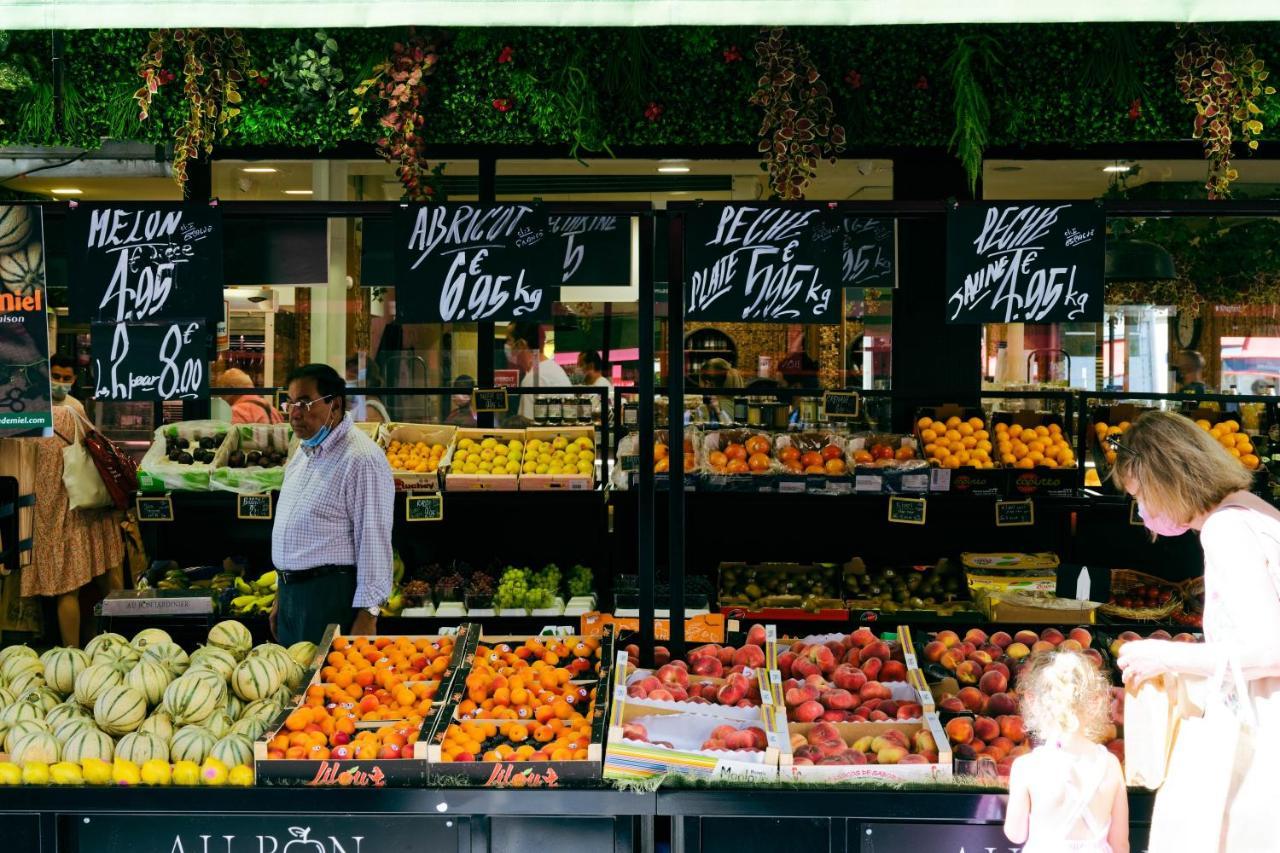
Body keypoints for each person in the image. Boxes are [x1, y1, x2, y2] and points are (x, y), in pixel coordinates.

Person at [1112, 410, 1280, 850]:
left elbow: (1271, 650)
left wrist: (1167, 656)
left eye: (1140, 494)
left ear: (1168, 478)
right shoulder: (1255, 512)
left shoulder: (1226, 529)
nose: (1142, 509)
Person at [271, 364, 394, 645]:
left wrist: (368, 615)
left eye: (303, 403)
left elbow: (374, 539)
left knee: (323, 687)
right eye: (289, 403)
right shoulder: (303, 453)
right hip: (293, 598)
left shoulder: (362, 459)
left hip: (330, 599)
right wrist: (282, 596)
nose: (294, 413)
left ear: (334, 405)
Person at [1004, 651, 1129, 853]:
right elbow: (1120, 844)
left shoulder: (1026, 767)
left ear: (1032, 701)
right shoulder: (1110, 764)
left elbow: (1016, 834)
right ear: (1096, 701)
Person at [30, 405, 125, 646]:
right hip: (86, 506)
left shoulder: (28, 417)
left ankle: (71, 652)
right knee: (106, 575)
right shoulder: (72, 410)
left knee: (67, 589)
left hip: (52, 513)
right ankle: (120, 640)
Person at [505, 321, 571, 422]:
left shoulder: (534, 378)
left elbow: (528, 428)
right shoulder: (550, 369)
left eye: (509, 341)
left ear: (521, 344)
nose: (507, 346)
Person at [216, 368, 283, 425]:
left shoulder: (236, 412)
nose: (222, 398)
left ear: (231, 389)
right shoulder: (274, 411)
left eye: (222, 393)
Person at [576, 350, 611, 421]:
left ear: (591, 365)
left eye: (580, 365)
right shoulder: (589, 387)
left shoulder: (603, 386)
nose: (577, 369)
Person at [49, 354, 86, 418]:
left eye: (66, 378)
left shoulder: (77, 408)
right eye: (56, 376)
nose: (60, 382)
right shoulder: (34, 404)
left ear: (73, 379)